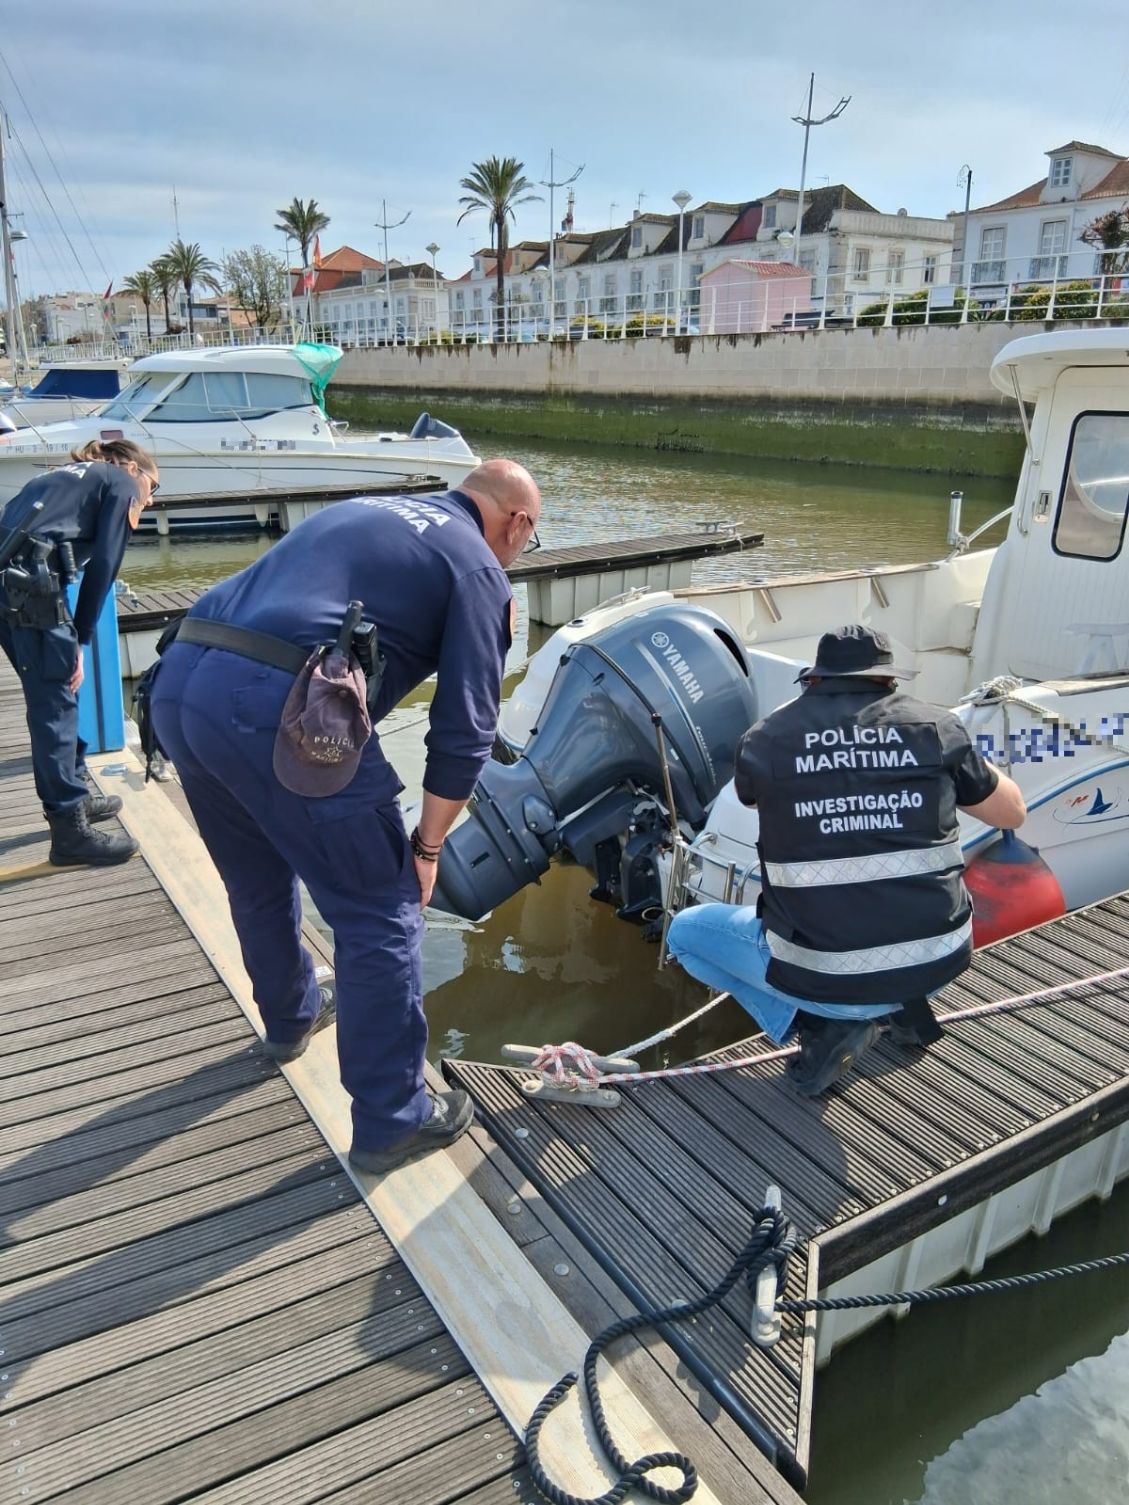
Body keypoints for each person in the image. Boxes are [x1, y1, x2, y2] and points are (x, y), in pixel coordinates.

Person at [150, 459, 542, 1174]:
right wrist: (424, 850)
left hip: (180, 681)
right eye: (529, 539)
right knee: (379, 909)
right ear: (515, 522)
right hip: (280, 702)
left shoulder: (372, 507)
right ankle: (393, 1118)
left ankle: (291, 1015)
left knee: (258, 875)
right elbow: (464, 730)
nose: (520, 551)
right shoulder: (479, 567)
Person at [667, 624, 1027, 1097]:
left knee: (686, 934)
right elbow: (1012, 812)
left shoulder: (767, 739)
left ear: (813, 680)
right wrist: (947, 751)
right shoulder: (938, 728)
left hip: (824, 976)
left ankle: (818, 1026)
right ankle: (898, 1008)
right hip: (938, 961)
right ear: (889, 681)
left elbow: (749, 798)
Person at [0, 439, 160, 866]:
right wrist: (81, 641)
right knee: (55, 705)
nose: (149, 500)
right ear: (131, 468)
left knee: (57, 698)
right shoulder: (121, 483)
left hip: (9, 587)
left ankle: (75, 792)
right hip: (32, 593)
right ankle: (69, 832)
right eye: (154, 487)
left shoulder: (55, 476)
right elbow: (106, 563)